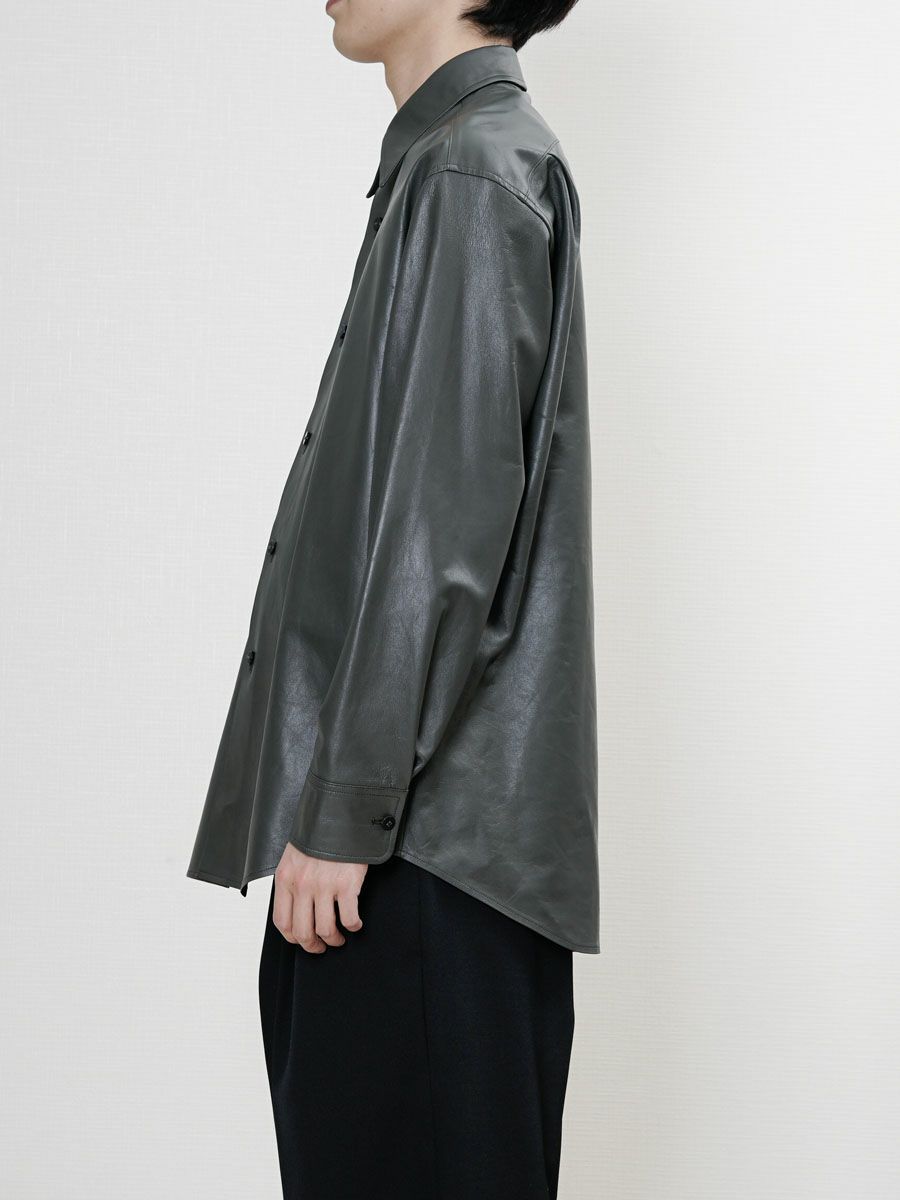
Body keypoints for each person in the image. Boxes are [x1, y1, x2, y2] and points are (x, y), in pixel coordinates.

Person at [186, 1, 598, 1196]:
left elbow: (440, 528)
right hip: (420, 852)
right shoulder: (458, 162)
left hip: (417, 858)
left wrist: (343, 811)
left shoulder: (472, 170)